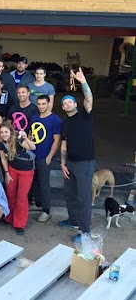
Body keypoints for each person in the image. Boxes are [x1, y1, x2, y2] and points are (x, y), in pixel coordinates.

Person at [59, 68, 95, 240]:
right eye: (64, 103)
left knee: (84, 198)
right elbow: (64, 144)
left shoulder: (84, 114)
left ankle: (84, 231)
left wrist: (83, 82)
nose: (67, 104)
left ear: (75, 104)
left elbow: (89, 99)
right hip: (70, 163)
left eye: (70, 102)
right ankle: (73, 220)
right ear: (62, 107)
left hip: (85, 163)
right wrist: (62, 164)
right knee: (69, 194)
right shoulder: (65, 124)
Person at [0, 122, 36, 235]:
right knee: (10, 193)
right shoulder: (0, 143)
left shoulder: (18, 140)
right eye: (1, 132)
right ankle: (8, 217)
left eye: (6, 132)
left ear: (11, 132)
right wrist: (7, 173)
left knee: (22, 197)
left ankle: (19, 224)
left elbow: (33, 147)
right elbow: (3, 159)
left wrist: (25, 138)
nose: (4, 134)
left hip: (26, 170)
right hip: (12, 169)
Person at [30, 94, 62, 223]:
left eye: (43, 104)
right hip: (32, 156)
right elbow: (31, 135)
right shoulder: (34, 117)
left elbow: (57, 140)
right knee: (34, 181)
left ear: (49, 104)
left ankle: (46, 210)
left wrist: (49, 156)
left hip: (45, 156)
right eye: (39, 104)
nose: (41, 106)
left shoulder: (55, 120)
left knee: (44, 183)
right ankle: (38, 203)